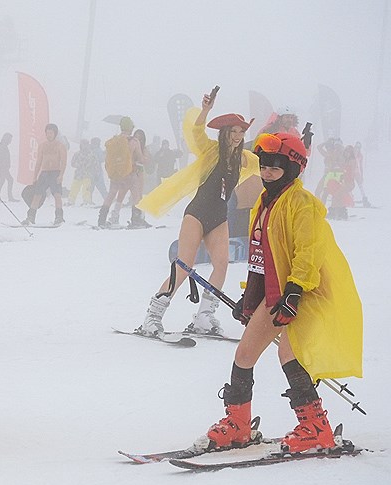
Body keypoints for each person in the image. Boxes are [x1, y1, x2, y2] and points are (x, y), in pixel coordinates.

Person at [199, 131, 361, 455]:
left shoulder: (303, 205)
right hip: (278, 293)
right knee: (244, 354)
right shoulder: (264, 202)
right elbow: (260, 255)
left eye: (275, 166)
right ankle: (238, 425)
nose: (267, 171)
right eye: (264, 165)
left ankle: (316, 428)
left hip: (309, 290)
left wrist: (294, 291)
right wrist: (251, 300)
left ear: (292, 168)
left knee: (289, 352)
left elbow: (308, 253)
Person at [135, 90, 259, 336]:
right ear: (225, 133)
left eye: (241, 132)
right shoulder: (211, 150)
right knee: (183, 266)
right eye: (233, 131)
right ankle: (153, 317)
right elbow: (196, 132)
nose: (237, 136)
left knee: (222, 264)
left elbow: (266, 164)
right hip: (197, 213)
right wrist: (205, 110)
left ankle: (204, 317)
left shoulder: (244, 159)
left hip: (219, 216)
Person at [98, 117, 143, 227]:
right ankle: (136, 220)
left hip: (116, 173)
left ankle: (102, 219)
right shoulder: (134, 141)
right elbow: (140, 158)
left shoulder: (114, 141)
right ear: (130, 128)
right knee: (135, 195)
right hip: (130, 173)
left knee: (111, 194)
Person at [22, 123, 68, 225]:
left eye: (51, 133)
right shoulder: (42, 146)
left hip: (55, 172)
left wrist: (61, 175)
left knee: (57, 194)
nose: (49, 135)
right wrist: (35, 176)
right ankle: (30, 217)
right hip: (44, 173)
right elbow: (38, 161)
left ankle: (59, 217)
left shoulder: (60, 146)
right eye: (47, 133)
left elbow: (64, 162)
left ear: (55, 133)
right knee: (37, 195)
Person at [67, 139, 96, 206]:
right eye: (83, 144)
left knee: (87, 189)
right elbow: (72, 163)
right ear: (81, 145)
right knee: (74, 188)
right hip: (78, 174)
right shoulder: (77, 154)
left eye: (86, 144)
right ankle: (71, 200)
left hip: (87, 175)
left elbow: (95, 165)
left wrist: (95, 173)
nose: (85, 146)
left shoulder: (92, 155)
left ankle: (86, 201)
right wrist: (79, 165)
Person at [0, 133, 15, 201]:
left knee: (2, 181)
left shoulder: (3, 146)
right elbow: (2, 158)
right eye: (10, 139)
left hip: (4, 167)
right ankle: (8, 197)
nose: (10, 141)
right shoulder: (2, 146)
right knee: (9, 180)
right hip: (3, 168)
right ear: (7, 139)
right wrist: (4, 167)